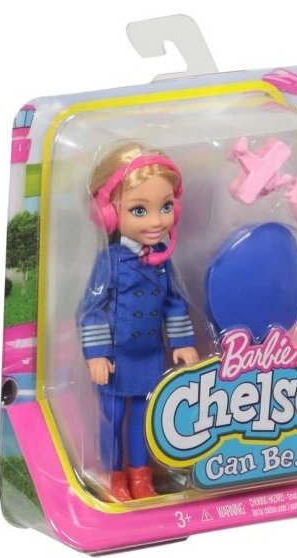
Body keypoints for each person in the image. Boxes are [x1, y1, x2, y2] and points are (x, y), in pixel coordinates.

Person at [78, 141, 198, 501]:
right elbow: (92, 307)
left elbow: (174, 302)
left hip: (149, 357)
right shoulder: (110, 261)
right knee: (112, 421)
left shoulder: (162, 259)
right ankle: (111, 476)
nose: (157, 220)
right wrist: (96, 354)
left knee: (145, 421)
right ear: (108, 214)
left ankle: (141, 477)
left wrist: (182, 343)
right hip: (116, 360)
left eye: (165, 207)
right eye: (139, 210)